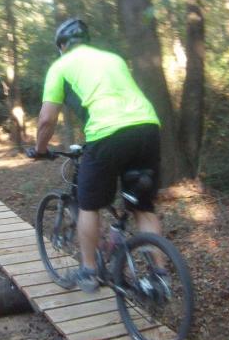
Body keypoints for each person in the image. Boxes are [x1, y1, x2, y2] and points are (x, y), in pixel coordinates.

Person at [26, 17, 164, 292]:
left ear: (62, 46)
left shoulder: (60, 66)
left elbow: (46, 120)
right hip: (148, 128)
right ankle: (159, 277)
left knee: (88, 205)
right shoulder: (113, 59)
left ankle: (89, 271)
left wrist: (41, 150)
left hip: (106, 133)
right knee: (143, 207)